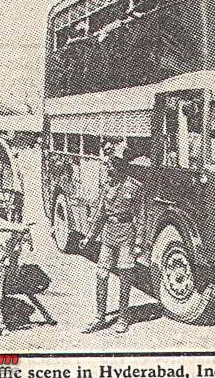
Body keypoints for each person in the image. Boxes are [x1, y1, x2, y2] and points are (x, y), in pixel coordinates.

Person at [80, 141, 145, 334]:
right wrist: (89, 237)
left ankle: (123, 318)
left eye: (111, 166)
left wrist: (139, 243)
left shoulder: (135, 187)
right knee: (101, 275)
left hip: (126, 235)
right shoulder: (106, 187)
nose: (108, 169)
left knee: (125, 277)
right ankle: (99, 317)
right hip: (108, 236)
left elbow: (141, 216)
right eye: (107, 165)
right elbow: (100, 214)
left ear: (120, 167)